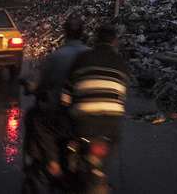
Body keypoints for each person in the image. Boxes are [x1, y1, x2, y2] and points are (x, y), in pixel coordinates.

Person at [46, 24, 130, 181]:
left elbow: (67, 91)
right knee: (112, 143)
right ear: (115, 42)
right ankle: (101, 172)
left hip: (83, 120)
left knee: (64, 133)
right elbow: (122, 94)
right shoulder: (121, 63)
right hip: (111, 122)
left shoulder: (83, 58)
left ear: (94, 41)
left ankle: (67, 165)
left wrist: (64, 107)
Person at [24, 14, 89, 192]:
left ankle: (52, 164)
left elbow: (41, 84)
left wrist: (32, 88)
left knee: (36, 120)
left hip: (59, 115)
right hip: (88, 116)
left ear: (65, 34)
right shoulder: (89, 55)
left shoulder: (56, 56)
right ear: (83, 34)